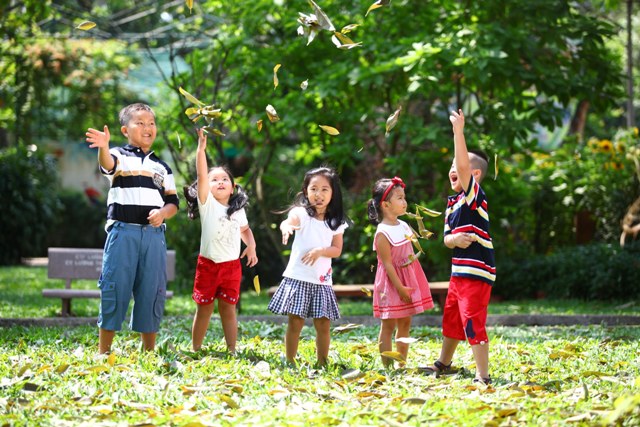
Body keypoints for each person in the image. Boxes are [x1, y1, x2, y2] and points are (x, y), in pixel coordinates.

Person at [85, 103, 179, 354]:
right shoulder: (119, 156)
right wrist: (103, 147)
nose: (147, 127)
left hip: (154, 237)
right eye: (140, 123)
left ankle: (148, 351)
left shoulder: (163, 167)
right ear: (125, 130)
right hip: (122, 234)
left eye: (151, 123)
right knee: (115, 287)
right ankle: (104, 352)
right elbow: (107, 164)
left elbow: (172, 203)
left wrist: (162, 214)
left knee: (152, 290)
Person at [425, 109, 496, 385]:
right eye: (452, 165)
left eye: (459, 165)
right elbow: (446, 238)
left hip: (476, 273)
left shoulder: (474, 196)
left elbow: (463, 167)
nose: (454, 169)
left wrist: (458, 132)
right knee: (452, 318)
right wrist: (453, 240)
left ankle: (483, 375)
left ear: (474, 174)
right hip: (458, 272)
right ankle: (443, 363)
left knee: (471, 320)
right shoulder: (452, 203)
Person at [184, 128, 258, 353]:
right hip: (208, 267)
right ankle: (196, 348)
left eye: (225, 179)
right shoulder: (208, 204)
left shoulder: (238, 211)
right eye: (214, 179)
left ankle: (232, 349)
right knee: (204, 309)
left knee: (229, 309)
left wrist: (251, 246)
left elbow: (245, 230)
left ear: (233, 187)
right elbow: (201, 174)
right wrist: (200, 151)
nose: (220, 182)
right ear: (206, 186)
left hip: (231, 267)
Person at [267, 167, 349, 366]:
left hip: (322, 281)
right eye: (313, 189)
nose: (318, 194)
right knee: (295, 322)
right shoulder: (301, 214)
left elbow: (336, 249)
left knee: (323, 324)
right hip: (298, 278)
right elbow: (289, 221)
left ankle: (322, 362)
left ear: (333, 193)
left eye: (324, 189)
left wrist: (321, 251)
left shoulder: (336, 222)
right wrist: (286, 227)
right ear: (306, 191)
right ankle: (290, 360)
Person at [367, 177, 434, 367]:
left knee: (405, 322)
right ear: (386, 204)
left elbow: (409, 254)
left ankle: (401, 362)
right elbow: (388, 264)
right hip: (392, 283)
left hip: (407, 279)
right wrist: (400, 288)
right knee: (388, 324)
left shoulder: (404, 225)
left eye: (404, 197)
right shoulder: (382, 232)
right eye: (399, 198)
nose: (404, 202)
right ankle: (387, 364)